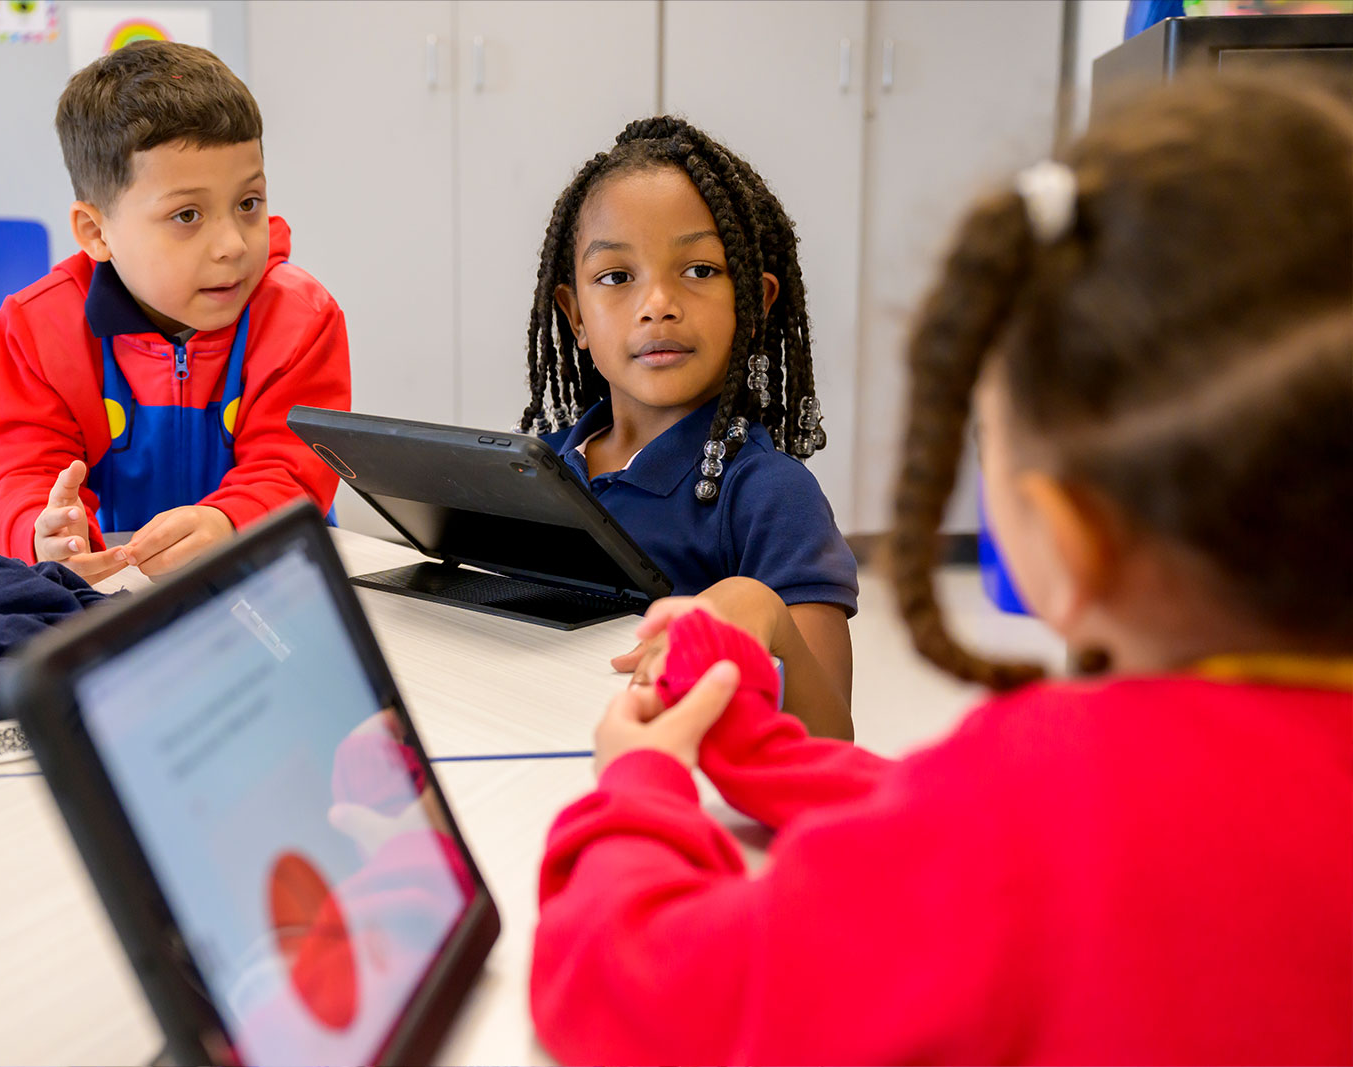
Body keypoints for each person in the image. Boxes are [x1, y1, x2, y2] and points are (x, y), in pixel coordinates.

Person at [531, 72, 1353, 1064]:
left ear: (1064, 537)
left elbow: (634, 988)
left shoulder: (1028, 809)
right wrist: (769, 749)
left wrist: (638, 788)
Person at [523, 117, 857, 737]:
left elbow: (832, 734)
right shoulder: (538, 467)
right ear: (575, 317)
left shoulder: (769, 497)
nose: (658, 303)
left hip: (687, 794)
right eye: (616, 277)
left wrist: (768, 619)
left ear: (754, 306)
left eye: (699, 270)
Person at [0, 41, 350, 583]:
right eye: (188, 215)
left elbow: (292, 470)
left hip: (269, 579)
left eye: (248, 204)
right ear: (97, 232)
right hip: (111, 593)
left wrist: (228, 522)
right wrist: (43, 530)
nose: (233, 245)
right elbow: (22, 468)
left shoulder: (301, 321)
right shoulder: (38, 328)